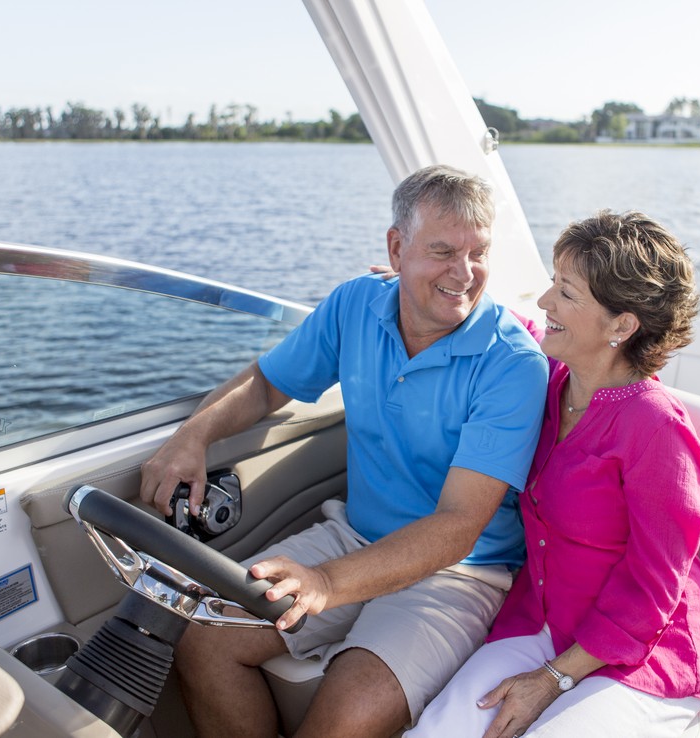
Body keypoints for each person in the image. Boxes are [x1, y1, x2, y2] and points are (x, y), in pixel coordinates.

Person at [138, 164, 549, 738]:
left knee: (341, 722)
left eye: (478, 253)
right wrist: (192, 436)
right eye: (443, 252)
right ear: (397, 248)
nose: (464, 273)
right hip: (355, 535)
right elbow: (267, 383)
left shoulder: (513, 364)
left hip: (458, 574)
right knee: (202, 636)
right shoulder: (356, 303)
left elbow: (458, 527)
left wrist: (326, 584)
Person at [406, 210, 700, 738]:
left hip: (638, 653)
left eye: (567, 293)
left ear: (622, 326)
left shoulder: (658, 430)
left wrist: (553, 679)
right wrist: (423, 291)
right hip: (541, 622)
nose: (546, 301)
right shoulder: (549, 378)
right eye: (553, 282)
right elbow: (511, 323)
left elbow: (653, 591)